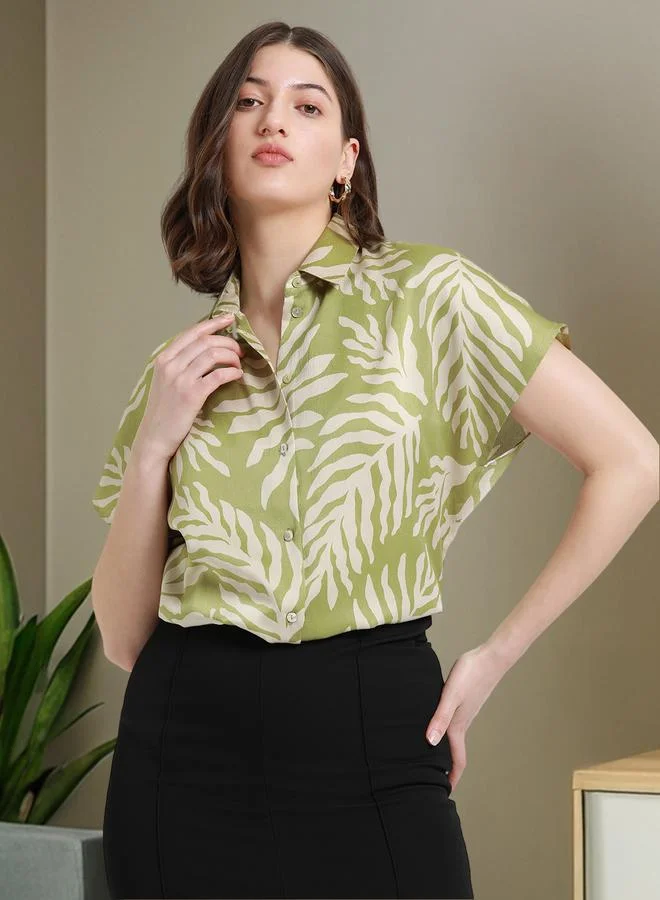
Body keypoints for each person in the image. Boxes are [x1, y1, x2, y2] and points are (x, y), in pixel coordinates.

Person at [91, 20, 658, 900]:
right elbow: (125, 638)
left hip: (370, 729)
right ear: (216, 149)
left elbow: (632, 462)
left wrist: (492, 658)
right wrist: (153, 447)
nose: (274, 119)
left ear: (345, 161)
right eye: (249, 102)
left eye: (306, 105)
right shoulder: (177, 369)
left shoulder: (433, 296)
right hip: (182, 754)